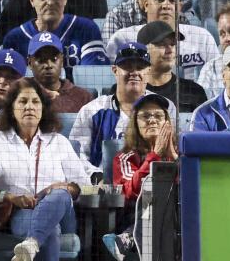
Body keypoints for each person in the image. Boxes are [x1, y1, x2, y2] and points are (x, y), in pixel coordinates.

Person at [0, 78, 89, 261]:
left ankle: (32, 242)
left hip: (62, 213)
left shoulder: (59, 142)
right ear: (11, 108)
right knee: (49, 228)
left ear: (43, 108)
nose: (29, 107)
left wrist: (65, 187)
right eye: (22, 101)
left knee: (61, 195)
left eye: (35, 102)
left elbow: (83, 185)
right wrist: (6, 197)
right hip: (20, 212)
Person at [101, 91, 178, 261]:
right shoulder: (125, 157)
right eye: (145, 116)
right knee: (152, 189)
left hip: (177, 214)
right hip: (136, 212)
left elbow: (190, 187)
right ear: (135, 124)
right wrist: (155, 155)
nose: (152, 120)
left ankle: (126, 239)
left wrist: (173, 157)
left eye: (159, 116)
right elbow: (130, 191)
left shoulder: (181, 153)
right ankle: (129, 237)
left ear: (167, 123)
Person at [72, 41, 174, 173]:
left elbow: (173, 149)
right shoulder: (91, 111)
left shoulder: (164, 107)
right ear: (115, 70)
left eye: (140, 67)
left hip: (152, 180)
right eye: (127, 66)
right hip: (104, 187)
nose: (134, 72)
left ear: (148, 72)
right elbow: (75, 156)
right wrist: (95, 175)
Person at [108, 0, 216, 82]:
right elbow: (111, 80)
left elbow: (216, 79)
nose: (166, 5)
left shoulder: (202, 37)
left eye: (172, 0)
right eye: (159, 0)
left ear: (180, 7)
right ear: (146, 5)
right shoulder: (123, 38)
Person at [0, 0, 106, 67]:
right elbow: (12, 81)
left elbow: (93, 77)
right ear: (32, 0)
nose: (50, 2)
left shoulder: (86, 29)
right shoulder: (15, 38)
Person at [137, 20, 208, 113]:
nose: (170, 50)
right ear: (143, 51)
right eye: (162, 44)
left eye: (173, 44)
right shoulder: (128, 90)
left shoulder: (194, 91)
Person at [25, 31, 95, 115]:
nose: (49, 65)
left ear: (62, 61)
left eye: (54, 59)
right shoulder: (20, 94)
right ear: (29, 63)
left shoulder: (84, 98)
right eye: (41, 59)